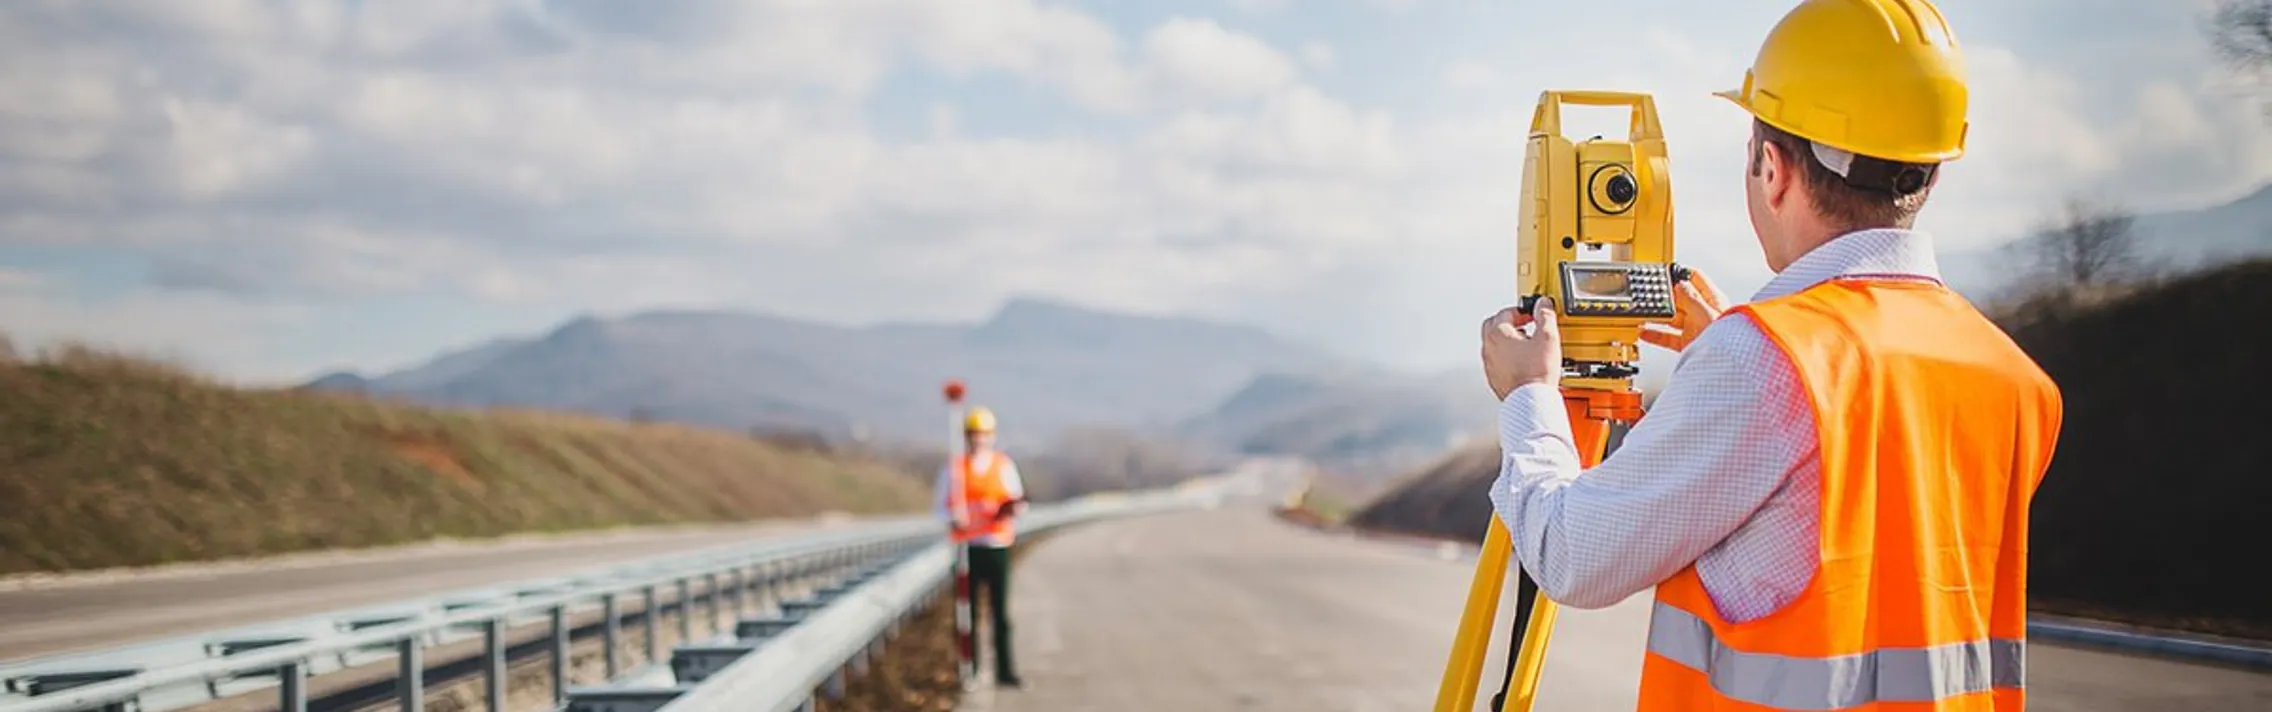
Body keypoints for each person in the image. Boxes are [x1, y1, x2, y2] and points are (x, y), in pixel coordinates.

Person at [1477, 0, 2064, 709]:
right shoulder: (2011, 377)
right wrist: (1748, 361)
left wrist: (1529, 397)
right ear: (1931, 174)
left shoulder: (1765, 366)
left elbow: (1572, 556)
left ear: (1774, 168)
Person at [936, 405, 1026, 688]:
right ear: (966, 436)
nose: (979, 439)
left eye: (984, 434)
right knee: (968, 612)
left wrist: (1009, 510)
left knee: (1001, 613)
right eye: (974, 434)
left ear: (992, 436)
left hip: (997, 545)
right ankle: (970, 669)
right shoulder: (955, 470)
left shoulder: (1003, 465)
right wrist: (954, 518)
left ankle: (1005, 670)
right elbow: (939, 509)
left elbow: (1018, 502)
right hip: (967, 549)